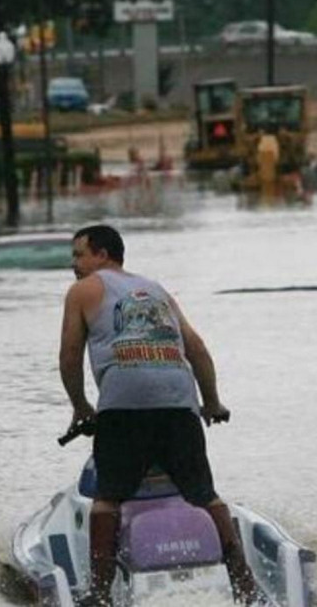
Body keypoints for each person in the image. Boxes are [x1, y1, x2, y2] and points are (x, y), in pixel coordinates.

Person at [59, 224, 259, 607]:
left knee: (108, 497)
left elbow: (69, 356)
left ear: (102, 254)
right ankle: (243, 582)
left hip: (123, 404)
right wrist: (211, 403)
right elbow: (196, 348)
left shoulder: (82, 291)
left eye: (78, 255)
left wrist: (80, 406)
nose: (74, 265)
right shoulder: (156, 289)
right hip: (178, 401)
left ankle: (99, 593)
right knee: (204, 492)